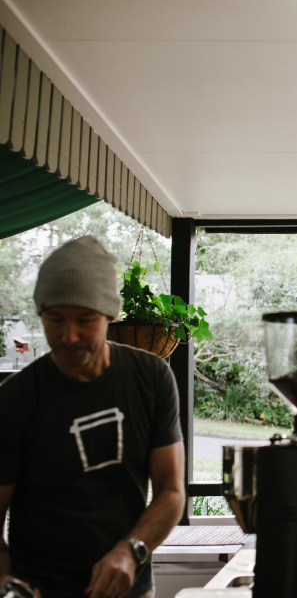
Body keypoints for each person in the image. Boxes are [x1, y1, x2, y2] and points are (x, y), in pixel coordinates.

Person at [0, 236, 186, 598]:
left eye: (85, 320)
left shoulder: (151, 378)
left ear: (110, 316)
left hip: (129, 589)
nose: (69, 336)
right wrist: (8, 584)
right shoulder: (15, 399)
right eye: (55, 319)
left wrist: (131, 551)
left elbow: (171, 491)